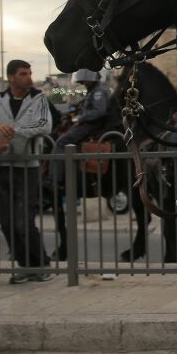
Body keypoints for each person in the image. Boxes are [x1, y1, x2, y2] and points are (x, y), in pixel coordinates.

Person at [0, 59, 54, 284]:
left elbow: (45, 126)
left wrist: (15, 131)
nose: (28, 77)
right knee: (6, 221)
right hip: (2, 165)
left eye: (29, 72)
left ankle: (39, 264)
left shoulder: (38, 98)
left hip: (28, 167)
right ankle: (25, 265)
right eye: (22, 73)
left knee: (23, 221)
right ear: (11, 78)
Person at [51, 68, 112, 259]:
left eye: (84, 81)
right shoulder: (93, 90)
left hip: (91, 126)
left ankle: (56, 177)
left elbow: (99, 111)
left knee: (61, 142)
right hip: (87, 122)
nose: (83, 84)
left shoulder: (100, 90)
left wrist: (80, 117)